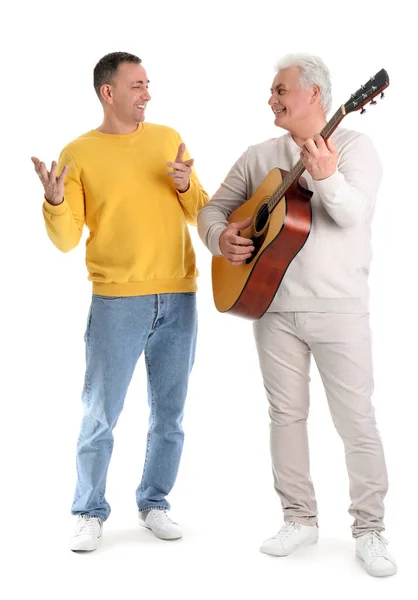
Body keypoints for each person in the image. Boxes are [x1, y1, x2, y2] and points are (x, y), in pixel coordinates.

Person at [197, 53, 396, 577]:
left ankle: (370, 529)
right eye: (271, 92)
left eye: (280, 90)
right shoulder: (260, 154)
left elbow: (354, 214)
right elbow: (213, 210)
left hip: (338, 308)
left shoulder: (355, 146)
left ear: (314, 94)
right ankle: (299, 518)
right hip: (272, 308)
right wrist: (222, 239)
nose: (271, 100)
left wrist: (327, 178)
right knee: (285, 418)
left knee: (356, 421)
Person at [32, 51, 208, 552]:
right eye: (137, 85)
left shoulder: (168, 139)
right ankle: (88, 511)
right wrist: (56, 201)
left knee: (169, 414)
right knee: (100, 413)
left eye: (149, 84)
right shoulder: (78, 153)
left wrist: (185, 184)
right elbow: (66, 240)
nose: (147, 94)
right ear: (108, 92)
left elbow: (202, 212)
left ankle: (155, 502)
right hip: (117, 301)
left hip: (179, 296)